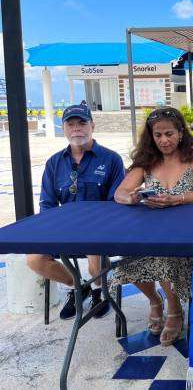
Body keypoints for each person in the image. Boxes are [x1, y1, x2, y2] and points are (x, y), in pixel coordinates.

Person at [113, 107, 193, 346]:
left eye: (169, 134)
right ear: (151, 136)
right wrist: (132, 198)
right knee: (129, 257)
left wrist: (176, 199)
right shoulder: (146, 160)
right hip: (150, 227)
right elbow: (120, 193)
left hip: (187, 229)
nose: (164, 140)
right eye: (158, 135)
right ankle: (155, 301)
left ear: (180, 133)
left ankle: (175, 312)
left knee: (166, 255)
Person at [26, 102, 125, 320]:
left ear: (92, 126)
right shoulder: (54, 163)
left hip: (99, 229)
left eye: (82, 123)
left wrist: (95, 227)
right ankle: (79, 287)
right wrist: (51, 229)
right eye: (70, 124)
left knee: (94, 256)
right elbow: (47, 204)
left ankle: (100, 291)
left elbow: (115, 204)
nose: (76, 128)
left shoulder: (112, 160)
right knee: (34, 259)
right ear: (63, 129)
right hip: (64, 228)